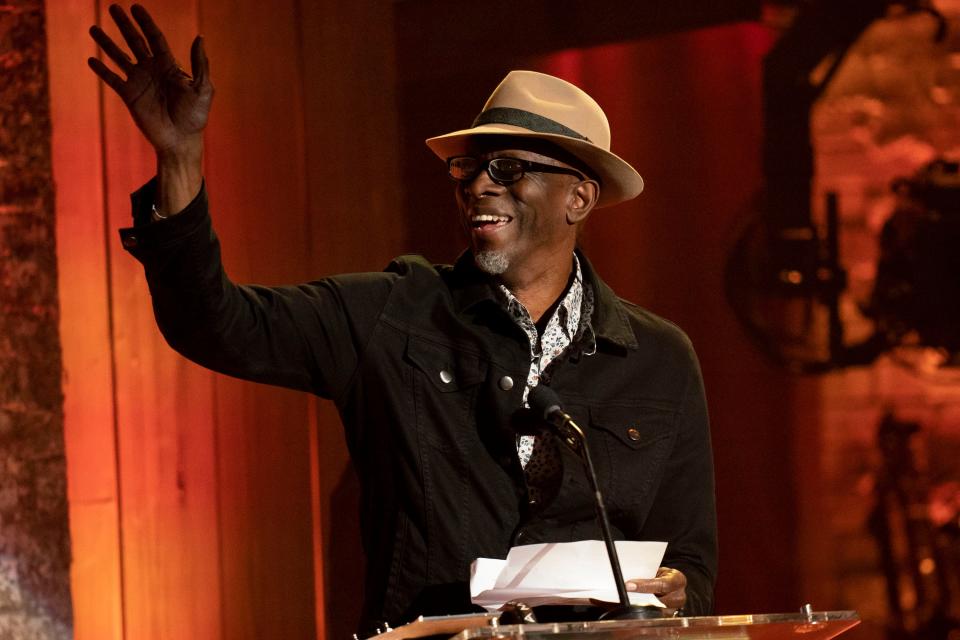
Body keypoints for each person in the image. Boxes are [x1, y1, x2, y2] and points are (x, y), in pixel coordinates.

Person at [88, 4, 717, 634]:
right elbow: (215, 323)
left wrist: (673, 595)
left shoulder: (658, 360)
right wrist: (179, 161)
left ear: (578, 197)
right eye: (468, 169)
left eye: (508, 169)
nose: (478, 186)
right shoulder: (393, 314)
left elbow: (690, 563)